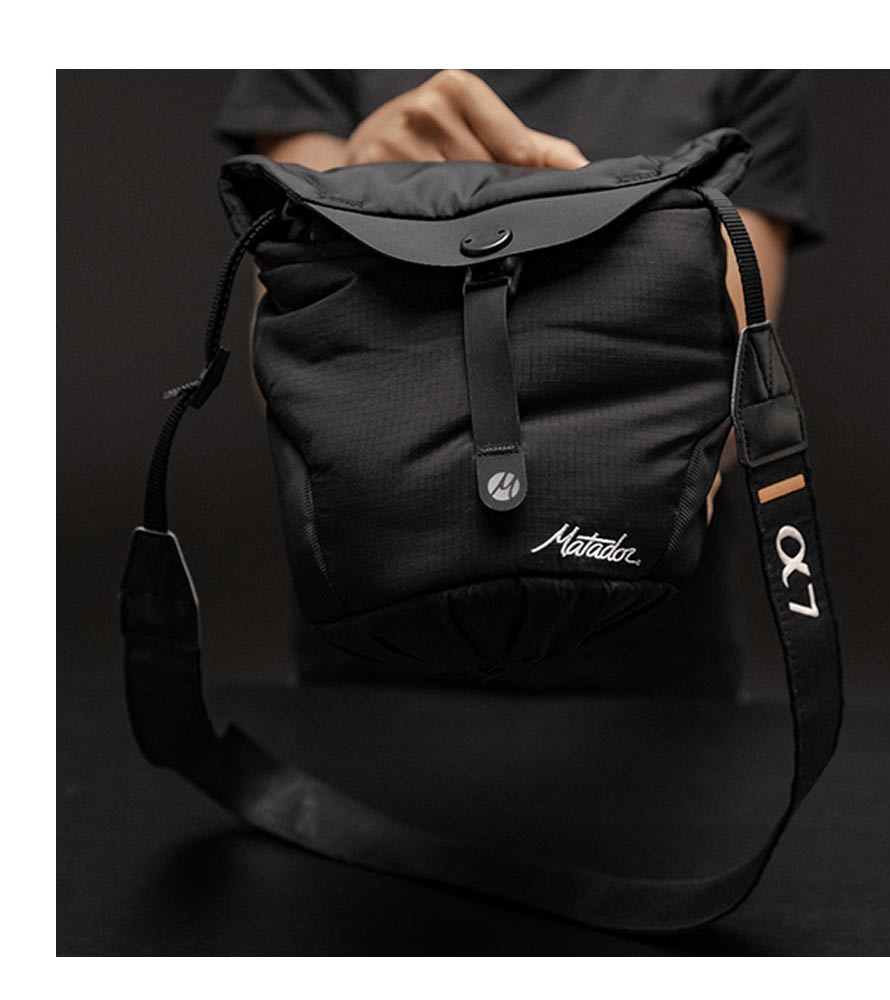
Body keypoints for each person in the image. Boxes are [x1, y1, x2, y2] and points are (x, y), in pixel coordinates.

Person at [215, 69, 823, 695]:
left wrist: (382, 224)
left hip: (654, 679)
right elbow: (294, 375)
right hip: (373, 680)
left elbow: (723, 394)